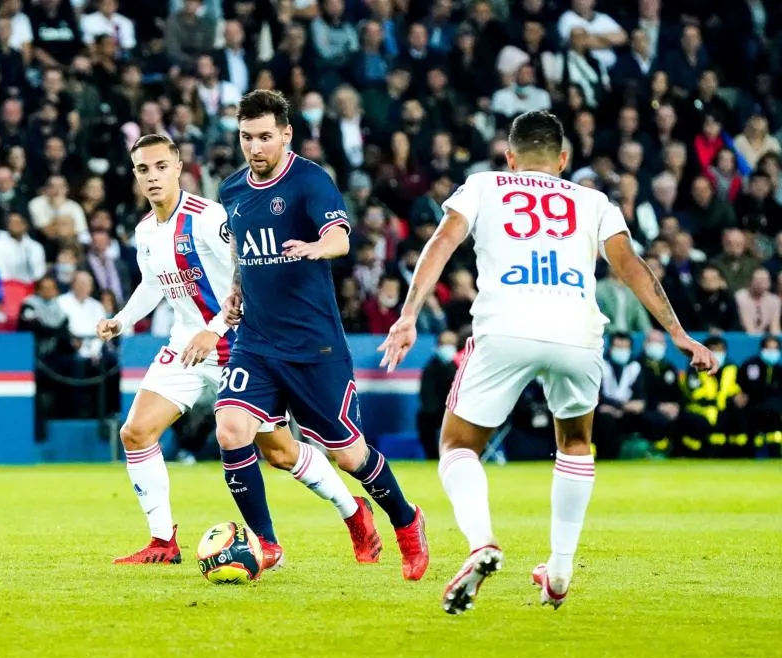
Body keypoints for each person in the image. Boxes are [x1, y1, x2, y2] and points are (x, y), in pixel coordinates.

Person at [378, 110, 716, 613]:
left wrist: (408, 314)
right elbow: (631, 266)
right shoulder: (594, 199)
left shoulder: (484, 185)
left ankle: (482, 543)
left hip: (507, 327)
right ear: (563, 159)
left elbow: (442, 241)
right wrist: (678, 333)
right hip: (578, 333)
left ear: (510, 157)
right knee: (576, 444)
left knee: (457, 444)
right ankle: (558, 572)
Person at [95, 134, 379, 567]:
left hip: (242, 345)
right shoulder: (145, 231)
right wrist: (122, 320)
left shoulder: (209, 217)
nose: (152, 177)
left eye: (159, 167)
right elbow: (152, 284)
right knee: (135, 432)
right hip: (187, 347)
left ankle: (353, 511)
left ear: (177, 168)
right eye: (142, 169)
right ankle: (162, 541)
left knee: (281, 452)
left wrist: (214, 328)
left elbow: (247, 276)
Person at [215, 90, 428, 580]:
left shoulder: (310, 180)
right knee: (231, 430)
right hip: (256, 341)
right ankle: (265, 544)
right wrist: (235, 288)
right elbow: (242, 251)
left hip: (316, 345)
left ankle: (406, 520)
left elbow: (340, 236)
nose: (255, 147)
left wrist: (316, 247)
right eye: (247, 137)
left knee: (347, 453)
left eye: (265, 136)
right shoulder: (232, 190)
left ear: (286, 134)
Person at [417, 329, 458, 459]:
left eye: (451, 344)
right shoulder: (430, 367)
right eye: (445, 344)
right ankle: (433, 457)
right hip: (437, 411)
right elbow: (427, 393)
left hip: (457, 411)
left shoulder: (460, 366)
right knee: (424, 419)